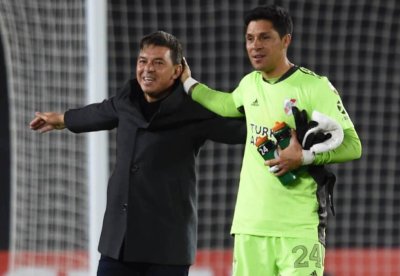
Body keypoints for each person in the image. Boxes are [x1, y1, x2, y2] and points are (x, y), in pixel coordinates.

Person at [29, 31, 246, 276]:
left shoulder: (193, 109)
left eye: (158, 62)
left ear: (177, 71)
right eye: (143, 61)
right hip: (119, 244)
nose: (147, 69)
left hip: (167, 248)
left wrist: (279, 129)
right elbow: (100, 112)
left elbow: (241, 130)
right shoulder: (127, 99)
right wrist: (63, 119)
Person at [181, 4, 362, 276]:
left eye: (265, 37)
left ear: (286, 40)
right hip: (251, 225)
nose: (255, 45)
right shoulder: (249, 84)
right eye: (250, 38)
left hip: (298, 227)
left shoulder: (314, 86)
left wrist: (303, 157)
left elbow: (353, 145)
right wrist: (188, 82)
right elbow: (226, 103)